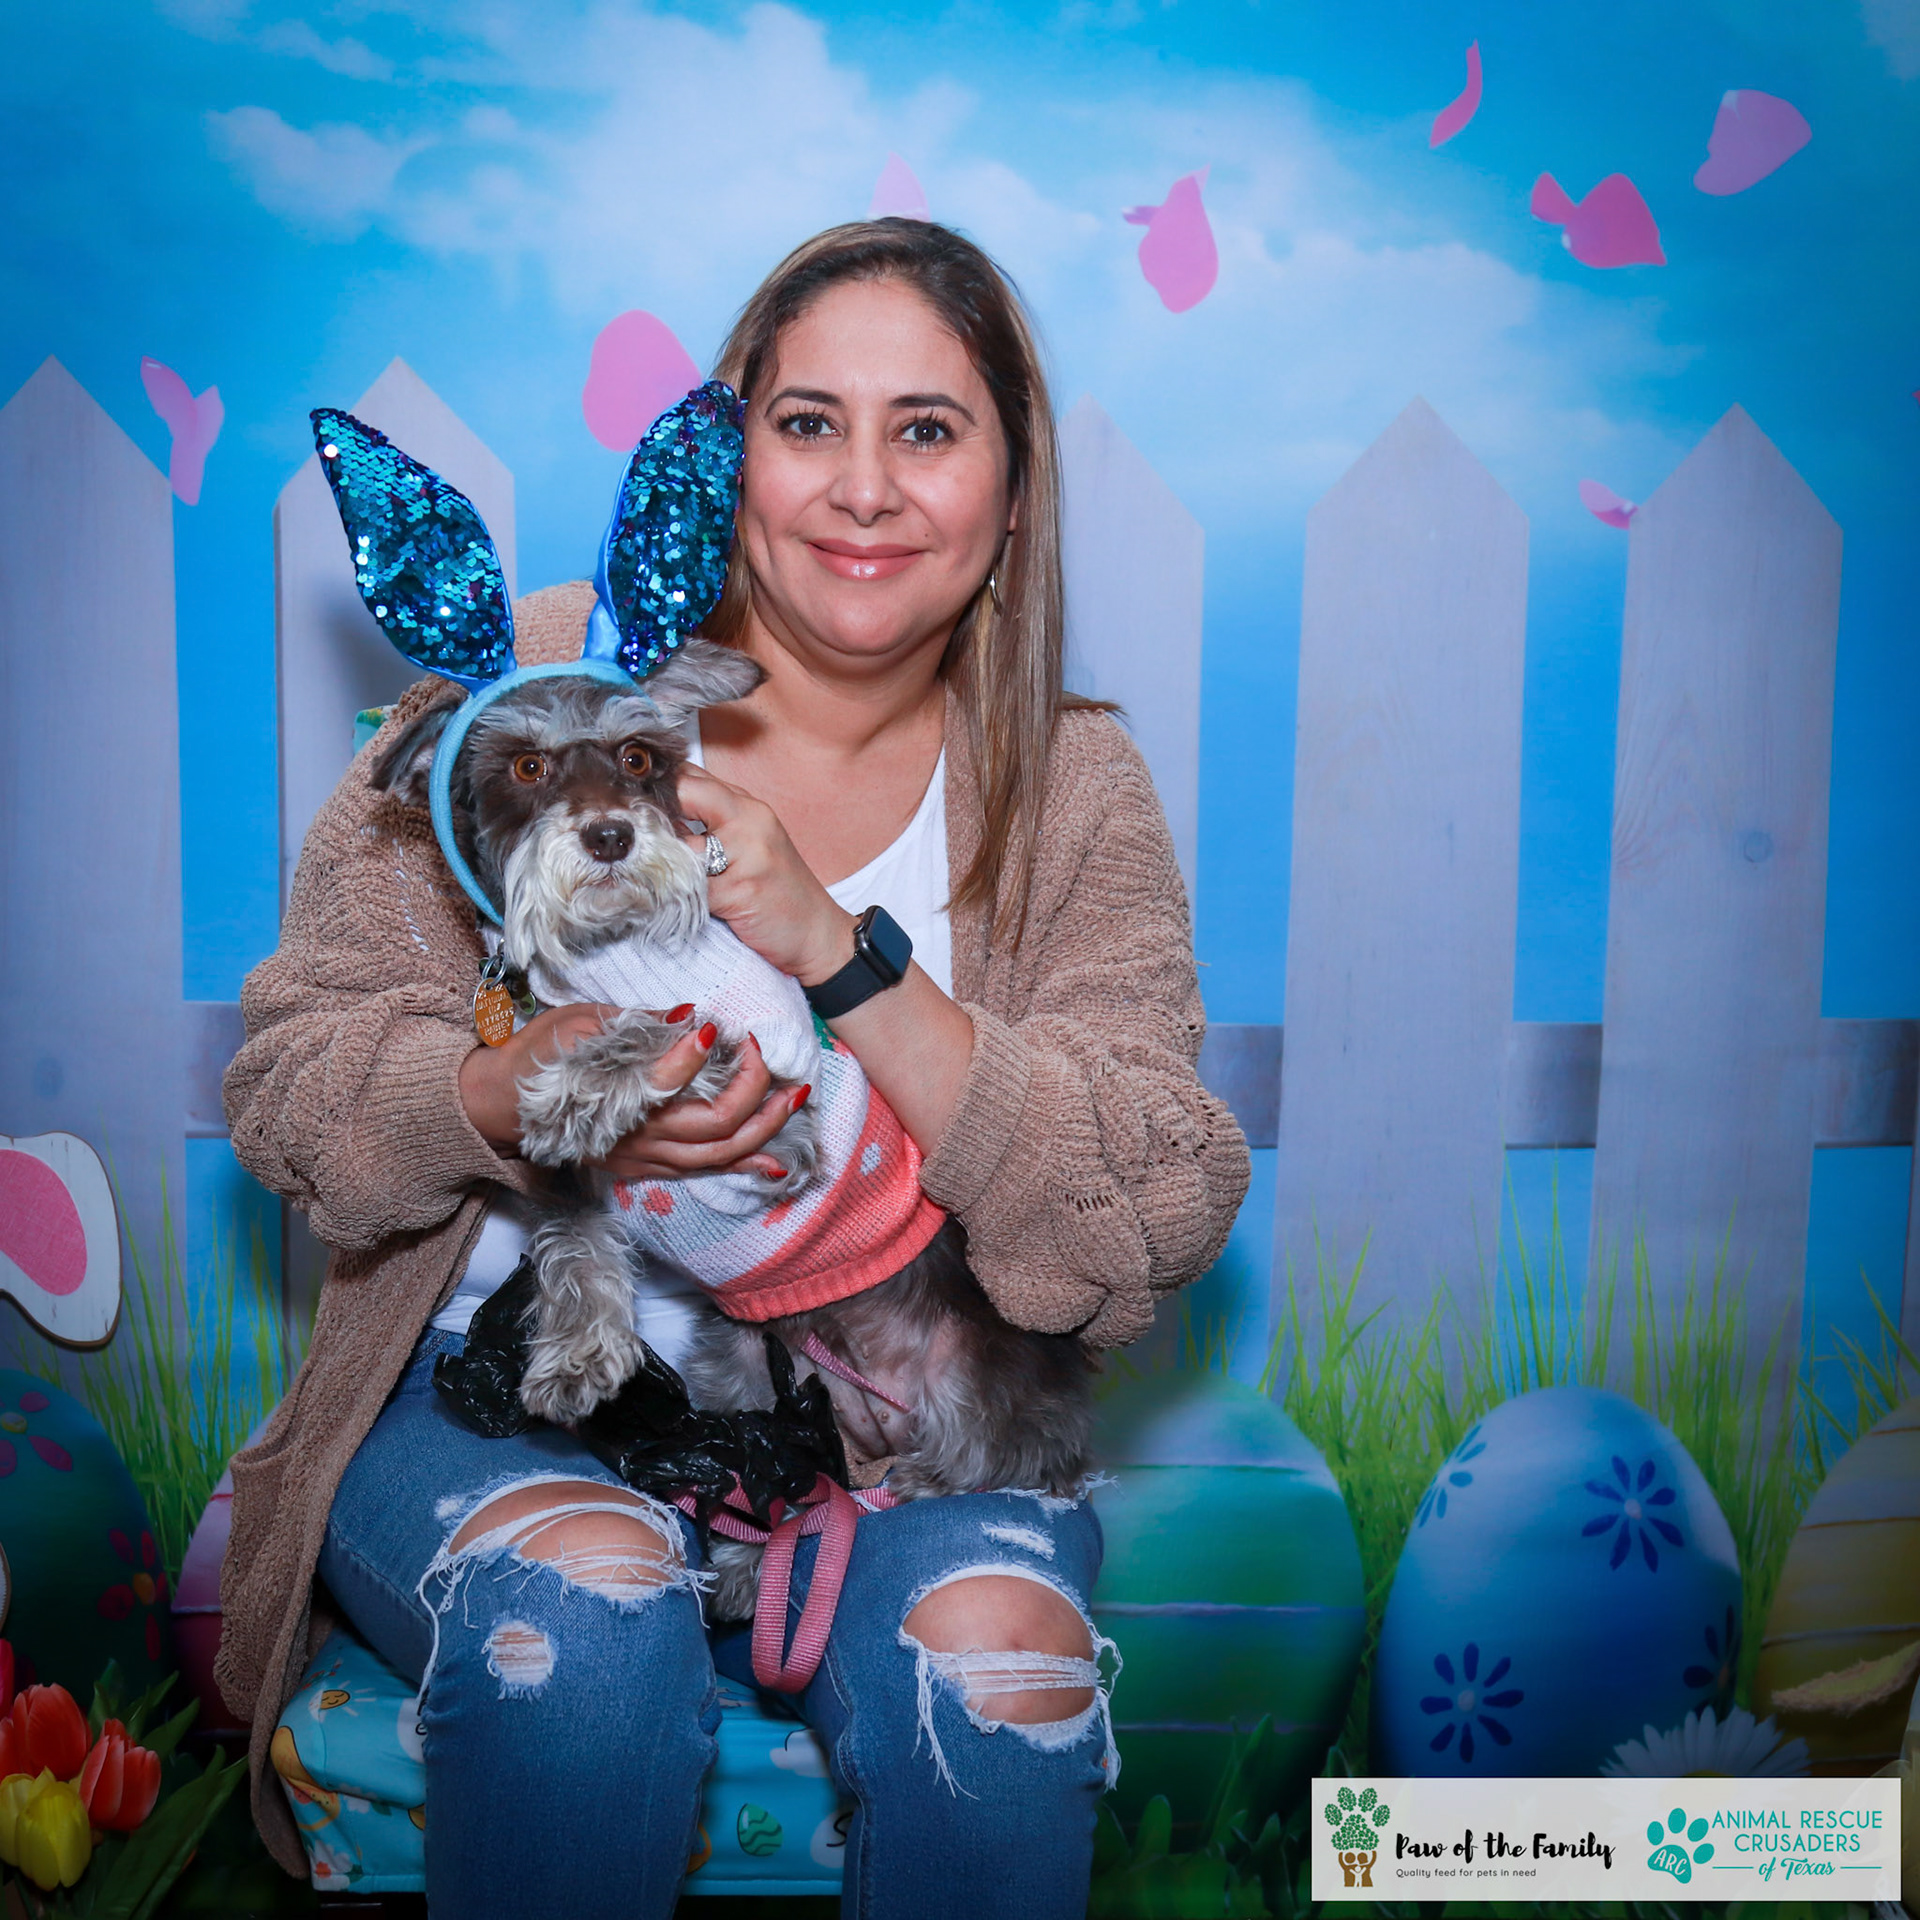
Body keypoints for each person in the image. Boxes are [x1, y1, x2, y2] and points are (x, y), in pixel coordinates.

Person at [219, 218, 1250, 1919]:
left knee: (998, 1677)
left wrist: (841, 952)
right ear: (727, 455)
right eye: (808, 422)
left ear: (1012, 493)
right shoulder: (531, 688)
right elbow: (294, 1080)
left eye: (929, 430)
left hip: (891, 1412)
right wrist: (526, 1099)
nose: (865, 488)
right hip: (499, 1389)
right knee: (583, 1625)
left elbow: (1150, 1202)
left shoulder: (1070, 786)